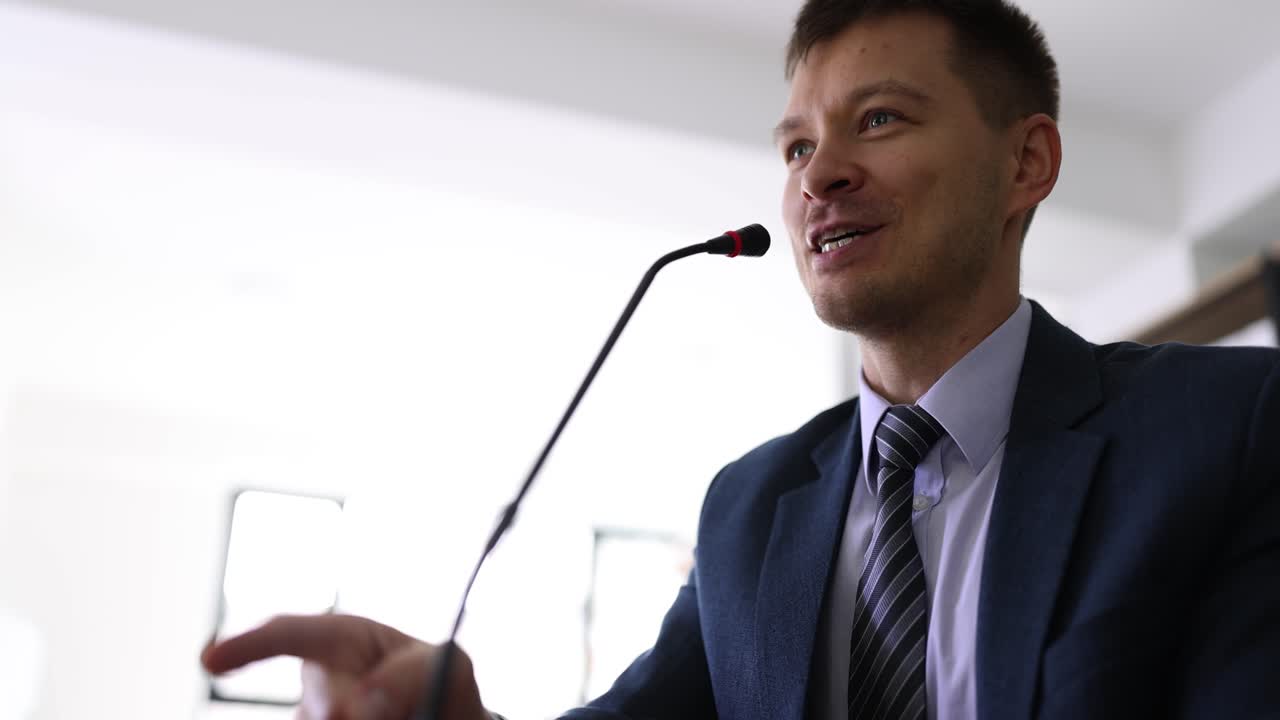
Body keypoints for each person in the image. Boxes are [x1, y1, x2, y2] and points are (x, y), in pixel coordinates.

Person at [201, 0, 1280, 717]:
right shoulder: (750, 510)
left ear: (1024, 163)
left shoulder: (1224, 430)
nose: (821, 176)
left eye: (879, 119)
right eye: (797, 146)